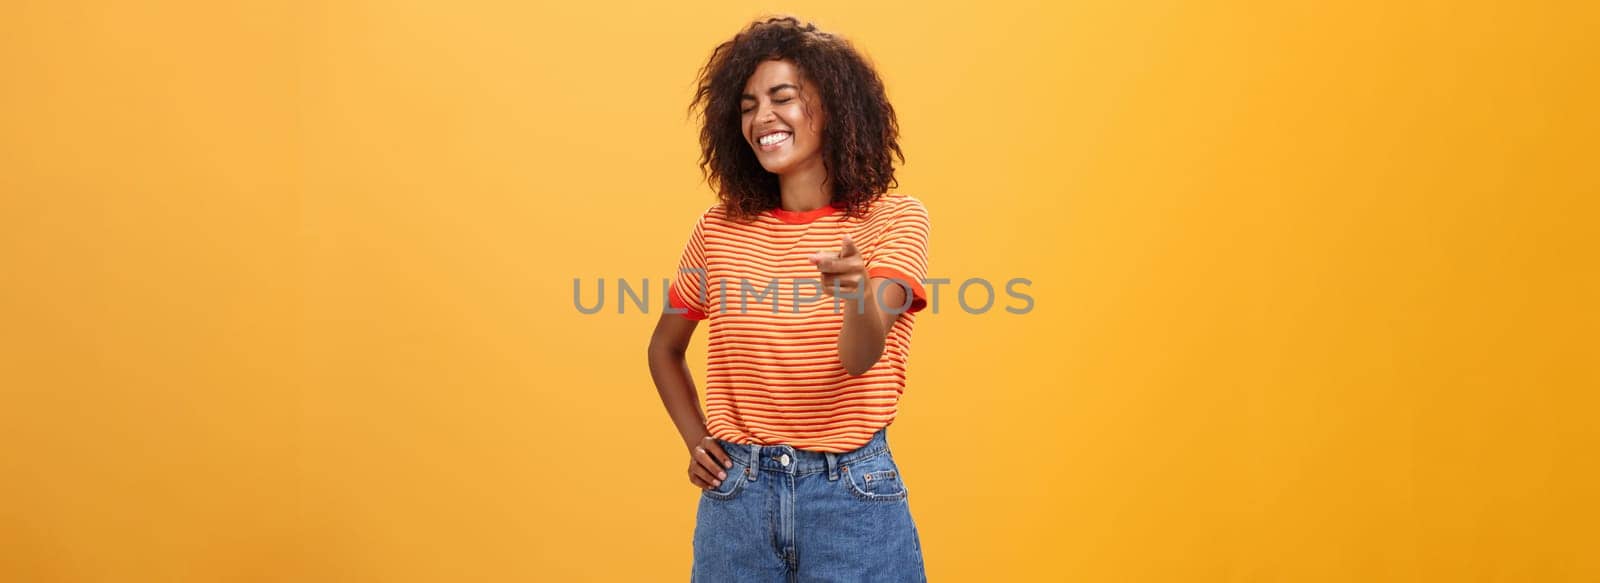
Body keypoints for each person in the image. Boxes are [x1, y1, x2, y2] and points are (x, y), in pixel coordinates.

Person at [647, 16, 931, 581]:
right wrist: (697, 438)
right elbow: (663, 348)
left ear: (835, 108)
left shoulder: (895, 219)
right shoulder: (718, 229)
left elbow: (859, 359)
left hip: (851, 496)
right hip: (738, 503)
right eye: (748, 105)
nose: (762, 118)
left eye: (783, 98)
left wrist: (853, 291)